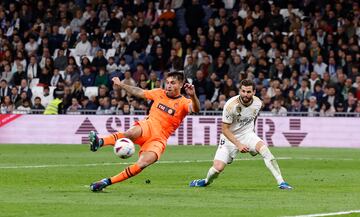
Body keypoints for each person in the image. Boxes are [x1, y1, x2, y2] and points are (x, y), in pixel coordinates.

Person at [89, 71, 200, 192]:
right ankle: (99, 142)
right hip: (148, 126)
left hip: (159, 139)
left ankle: (106, 182)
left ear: (180, 84)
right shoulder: (159, 93)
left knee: (142, 164)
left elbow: (195, 109)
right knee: (130, 133)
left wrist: (193, 96)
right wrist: (121, 85)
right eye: (167, 82)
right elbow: (139, 92)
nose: (168, 85)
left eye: (173, 83)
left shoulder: (184, 102)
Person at [189, 79, 292, 190]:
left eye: (248, 92)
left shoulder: (258, 103)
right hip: (229, 138)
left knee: (265, 150)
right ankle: (205, 181)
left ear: (254, 92)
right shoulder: (230, 105)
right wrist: (239, 145)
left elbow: (254, 117)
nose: (245, 94)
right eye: (243, 91)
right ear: (240, 91)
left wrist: (252, 135)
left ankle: (281, 182)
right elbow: (224, 129)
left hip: (247, 134)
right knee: (217, 169)